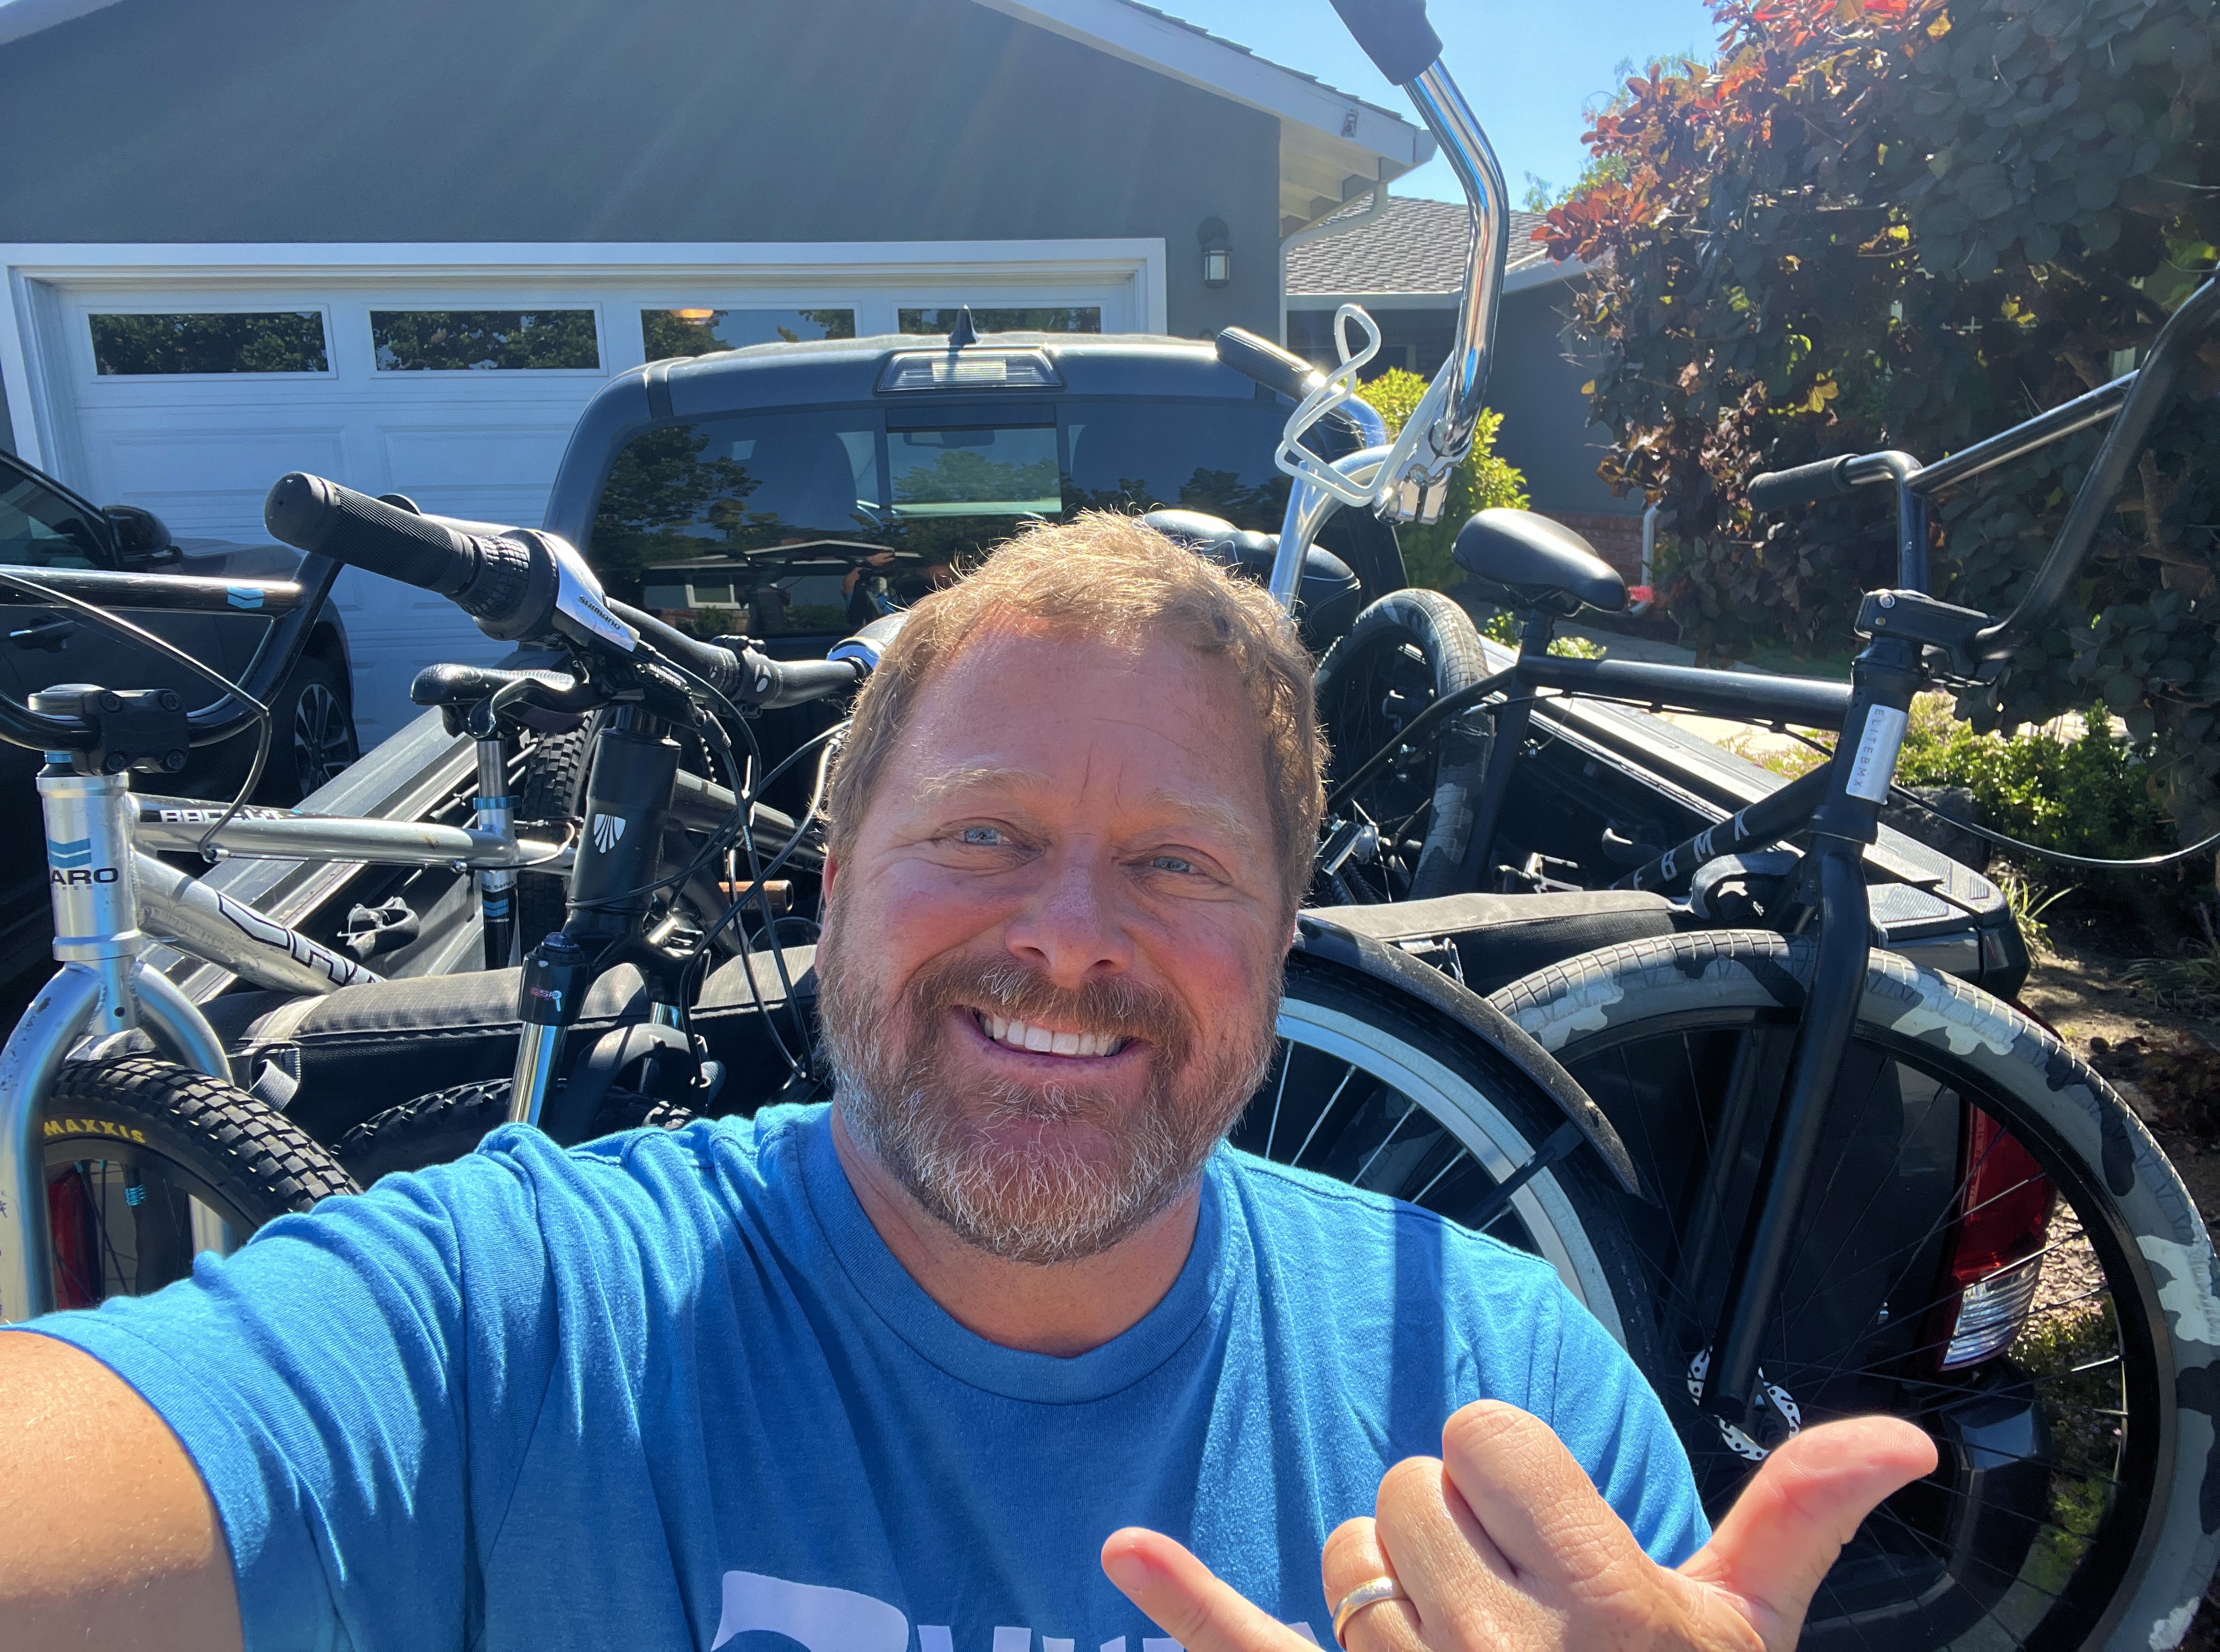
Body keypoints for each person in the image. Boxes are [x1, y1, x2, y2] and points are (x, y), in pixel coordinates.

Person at [0, 517, 1934, 1651]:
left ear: (1280, 945)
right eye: (983, 834)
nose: (1071, 940)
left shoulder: (1508, 1411)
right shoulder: (515, 1316)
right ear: (836, 886)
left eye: (1175, 864)